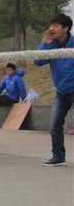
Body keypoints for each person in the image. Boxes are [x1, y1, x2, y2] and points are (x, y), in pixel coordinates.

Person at [34, 13, 74, 167]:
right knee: (54, 126)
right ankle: (58, 156)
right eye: (50, 26)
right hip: (61, 92)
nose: (51, 29)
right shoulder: (51, 45)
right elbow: (38, 61)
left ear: (66, 28)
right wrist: (46, 43)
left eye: (56, 26)